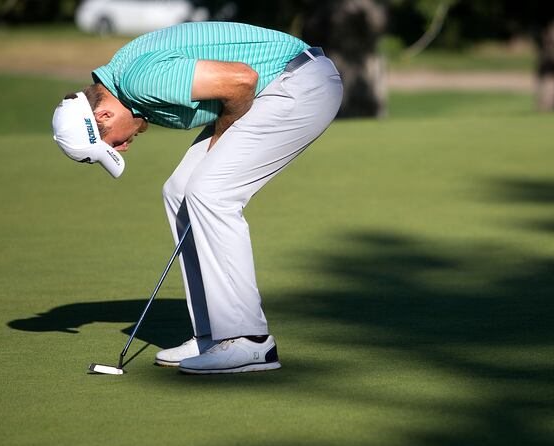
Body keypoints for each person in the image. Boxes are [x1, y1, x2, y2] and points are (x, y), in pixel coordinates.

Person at [51, 21, 343, 374]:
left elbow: (242, 80)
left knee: (211, 192)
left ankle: (248, 340)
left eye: (112, 142)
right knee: (179, 191)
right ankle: (214, 336)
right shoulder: (126, 82)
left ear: (104, 114)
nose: (123, 147)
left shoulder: (139, 81)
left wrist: (222, 135)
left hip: (299, 82)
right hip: (279, 86)